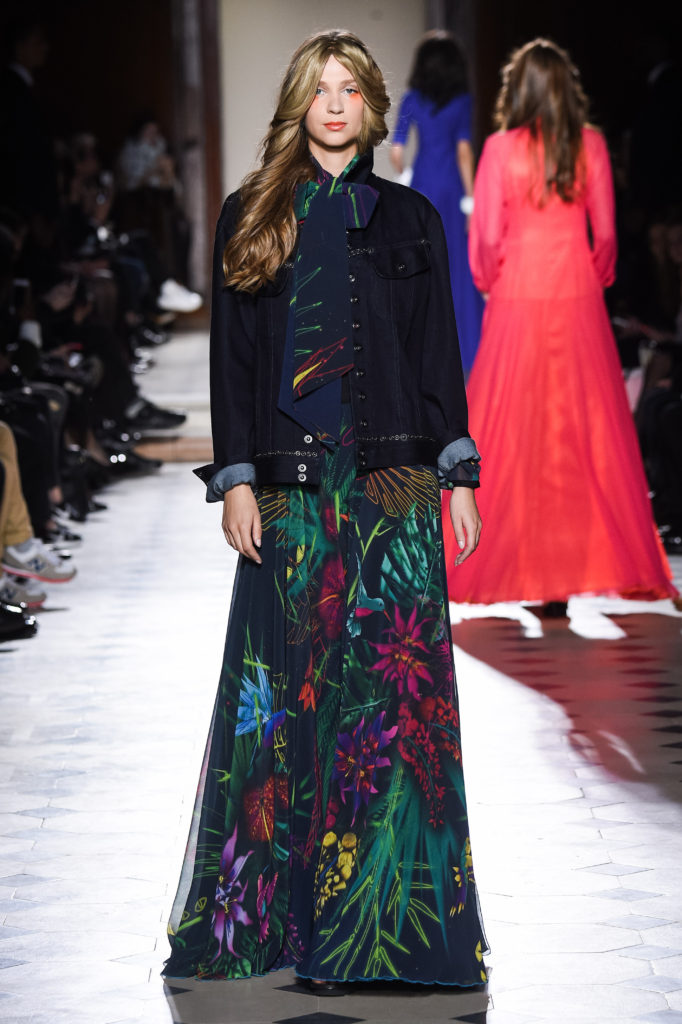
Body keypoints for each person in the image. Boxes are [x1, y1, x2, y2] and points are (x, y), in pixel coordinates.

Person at [164, 30, 488, 991]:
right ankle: (278, 925)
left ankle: (385, 929)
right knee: (291, 701)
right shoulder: (251, 215)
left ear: (375, 106)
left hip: (391, 483)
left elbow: (437, 359)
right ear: (300, 102)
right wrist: (235, 482)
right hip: (295, 486)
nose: (335, 103)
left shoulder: (411, 219)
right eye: (320, 87)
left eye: (351, 88)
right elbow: (232, 359)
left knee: (392, 705)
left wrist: (458, 473)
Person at [443, 39, 678, 613]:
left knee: (513, 431)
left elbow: (489, 240)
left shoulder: (500, 148)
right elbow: (607, 239)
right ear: (566, 87)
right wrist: (590, 279)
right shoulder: (590, 144)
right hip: (574, 297)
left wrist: (490, 279)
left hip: (520, 295)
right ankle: (574, 565)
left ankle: (524, 568)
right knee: (582, 432)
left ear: (517, 89)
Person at [390, 31, 483, 372]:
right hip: (452, 188)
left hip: (423, 184)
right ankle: (466, 352)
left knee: (424, 265)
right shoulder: (462, 101)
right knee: (458, 266)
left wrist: (404, 178)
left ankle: (422, 352)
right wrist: (471, 200)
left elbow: (396, 149)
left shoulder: (412, 98)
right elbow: (463, 151)